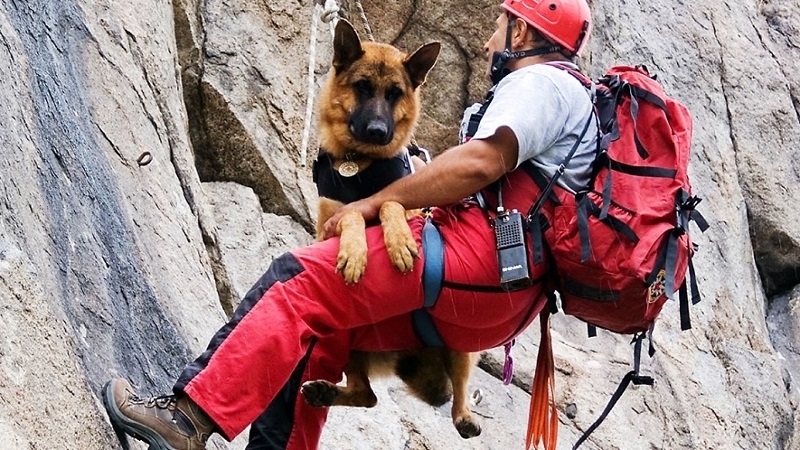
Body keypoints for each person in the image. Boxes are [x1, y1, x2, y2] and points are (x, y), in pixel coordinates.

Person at [102, 0, 597, 448]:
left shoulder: (541, 83)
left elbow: (480, 165)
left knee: (295, 281)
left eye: (499, 25)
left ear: (522, 34)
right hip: (504, 292)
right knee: (322, 328)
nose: (491, 39)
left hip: (476, 260)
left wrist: (375, 203)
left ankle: (186, 421)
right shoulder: (573, 97)